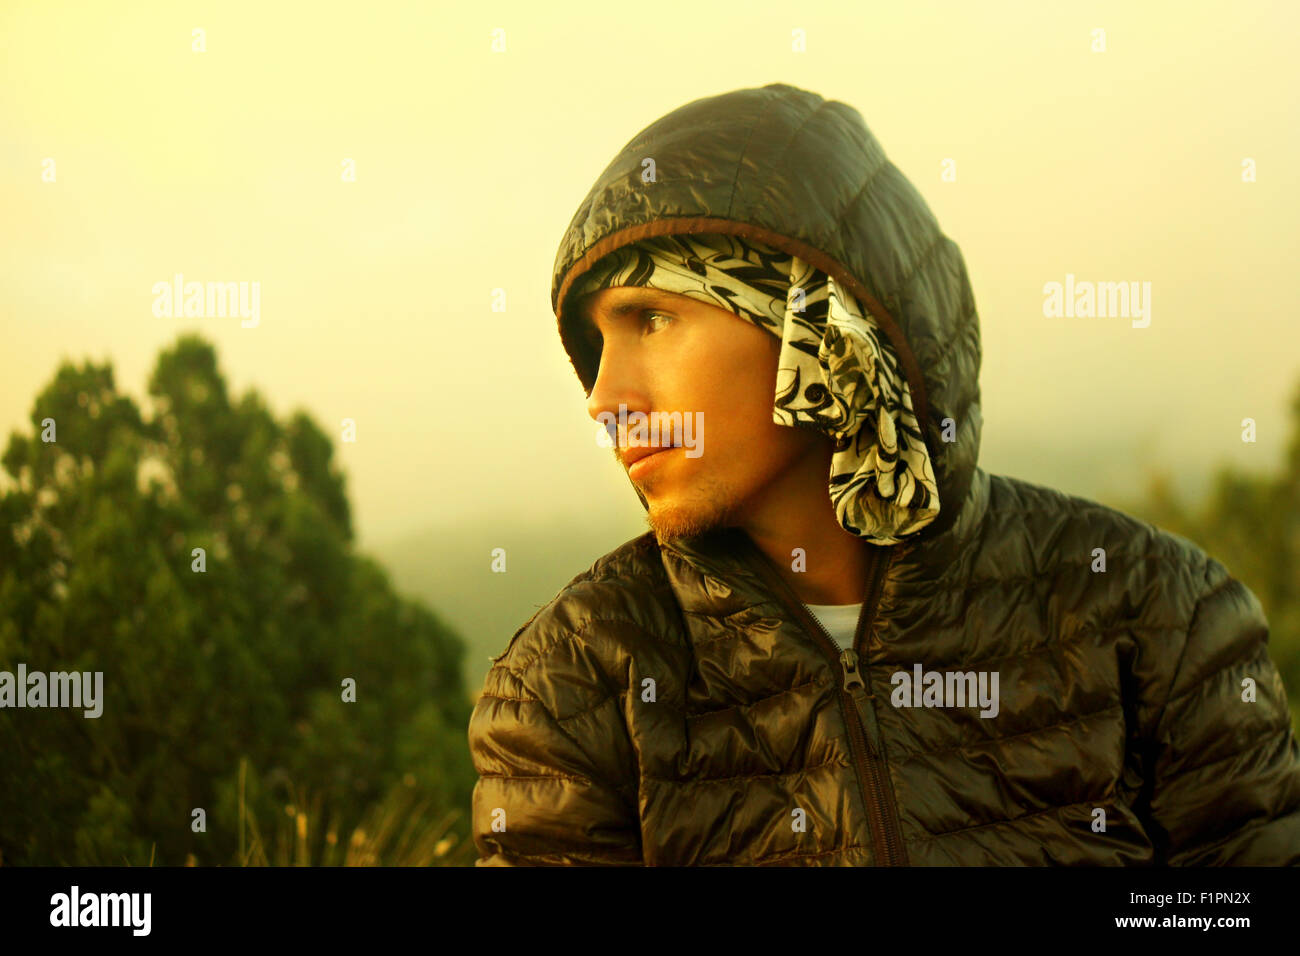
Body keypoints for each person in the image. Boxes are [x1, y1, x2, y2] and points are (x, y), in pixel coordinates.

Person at [466, 82, 1300, 865]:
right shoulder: (567, 686)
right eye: (596, 346)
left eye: (651, 320)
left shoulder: (1161, 614)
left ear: (822, 330)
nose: (605, 397)